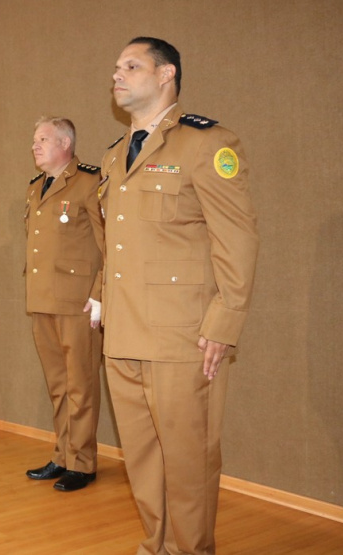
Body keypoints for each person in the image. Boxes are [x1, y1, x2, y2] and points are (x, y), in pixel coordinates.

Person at [100, 37, 259, 554]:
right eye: (116, 68)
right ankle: (158, 546)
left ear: (166, 74)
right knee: (143, 461)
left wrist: (224, 322)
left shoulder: (206, 144)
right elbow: (118, 243)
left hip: (182, 337)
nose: (117, 75)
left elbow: (236, 239)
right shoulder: (112, 157)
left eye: (131, 65)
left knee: (189, 461)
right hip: (123, 334)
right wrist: (101, 299)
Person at [23, 117, 104, 492]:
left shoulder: (90, 182)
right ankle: (62, 455)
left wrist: (100, 293)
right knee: (58, 384)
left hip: (78, 303)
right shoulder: (35, 187)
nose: (35, 146)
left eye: (43, 139)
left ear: (66, 144)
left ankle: (83, 462)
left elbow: (109, 244)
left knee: (81, 385)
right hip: (42, 300)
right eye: (35, 140)